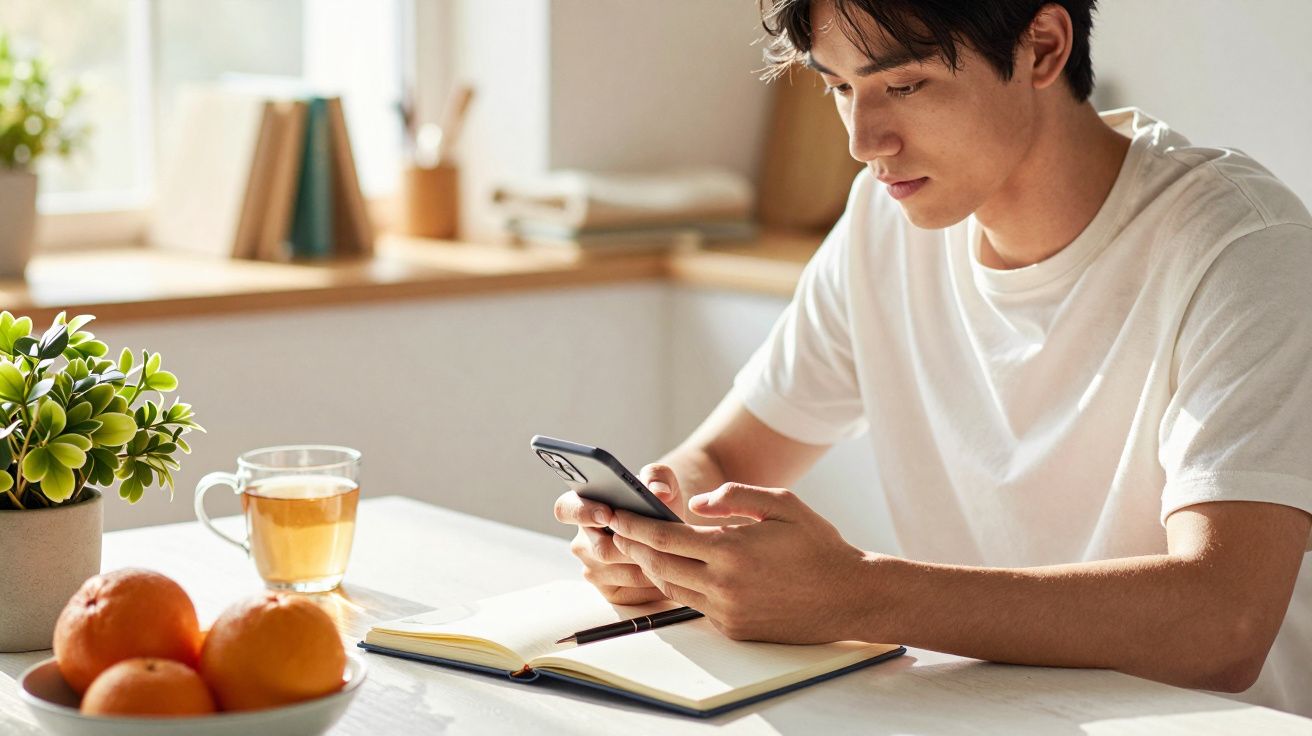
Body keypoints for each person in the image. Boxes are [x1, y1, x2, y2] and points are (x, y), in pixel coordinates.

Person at [554, 0, 1312, 716]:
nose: (863, 139)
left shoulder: (1243, 248)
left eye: (905, 84)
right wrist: (655, 522)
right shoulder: (882, 223)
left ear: (1043, 47)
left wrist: (858, 594)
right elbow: (721, 457)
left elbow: (1223, 622)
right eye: (840, 87)